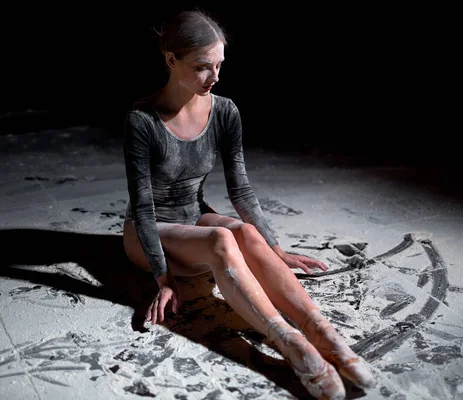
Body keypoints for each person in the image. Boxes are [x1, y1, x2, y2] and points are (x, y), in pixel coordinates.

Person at [121, 9, 376, 399]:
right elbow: (141, 207)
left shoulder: (225, 111)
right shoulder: (142, 119)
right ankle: (291, 344)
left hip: (191, 213)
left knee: (243, 231)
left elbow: (240, 189)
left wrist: (274, 251)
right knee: (222, 240)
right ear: (171, 60)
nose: (215, 76)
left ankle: (319, 329)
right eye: (203, 67)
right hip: (147, 231)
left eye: (220, 65)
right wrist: (162, 278)